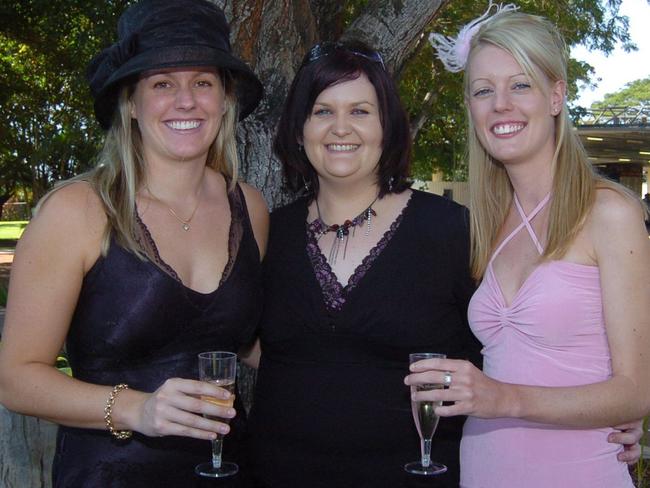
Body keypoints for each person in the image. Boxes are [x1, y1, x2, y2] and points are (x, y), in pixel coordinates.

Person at [0, 0, 268, 486]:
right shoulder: (76, 212)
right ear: (130, 103)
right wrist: (137, 409)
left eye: (202, 83)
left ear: (225, 99)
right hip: (108, 475)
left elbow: (248, 341)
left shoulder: (249, 208)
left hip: (232, 470)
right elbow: (16, 378)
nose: (185, 101)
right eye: (162, 83)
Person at [407, 5, 650, 487]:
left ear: (556, 95)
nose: (500, 104)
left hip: (579, 472)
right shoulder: (489, 224)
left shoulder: (610, 214)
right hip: (484, 469)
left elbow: (636, 392)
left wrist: (503, 397)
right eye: (483, 90)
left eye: (520, 84)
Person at [246, 40, 482, 488]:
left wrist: (587, 421)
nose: (340, 128)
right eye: (322, 111)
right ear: (299, 129)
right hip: (276, 473)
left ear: (387, 126)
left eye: (360, 111)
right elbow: (229, 334)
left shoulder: (452, 230)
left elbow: (513, 351)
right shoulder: (267, 233)